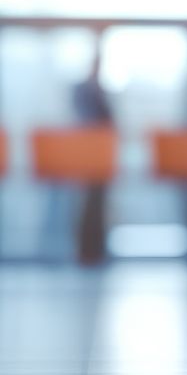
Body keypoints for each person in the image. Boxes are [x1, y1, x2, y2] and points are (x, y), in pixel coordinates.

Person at [72, 41, 113, 266]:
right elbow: (83, 120)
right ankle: (85, 252)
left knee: (99, 204)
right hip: (87, 154)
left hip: (103, 155)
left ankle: (97, 251)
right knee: (85, 204)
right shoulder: (81, 89)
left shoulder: (104, 91)